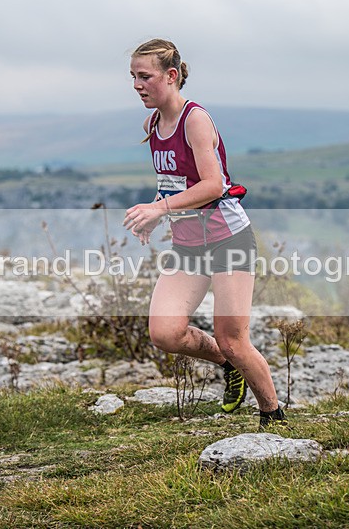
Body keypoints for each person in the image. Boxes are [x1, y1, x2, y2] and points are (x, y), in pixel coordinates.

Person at [122, 38, 286, 428]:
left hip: (229, 240)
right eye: (132, 77)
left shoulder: (195, 120)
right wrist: (154, 212)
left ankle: (273, 416)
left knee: (232, 337)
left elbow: (213, 185)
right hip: (188, 245)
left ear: (171, 76)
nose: (137, 85)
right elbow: (174, 184)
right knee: (165, 332)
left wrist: (159, 208)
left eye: (145, 76)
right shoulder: (152, 124)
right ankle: (225, 364)